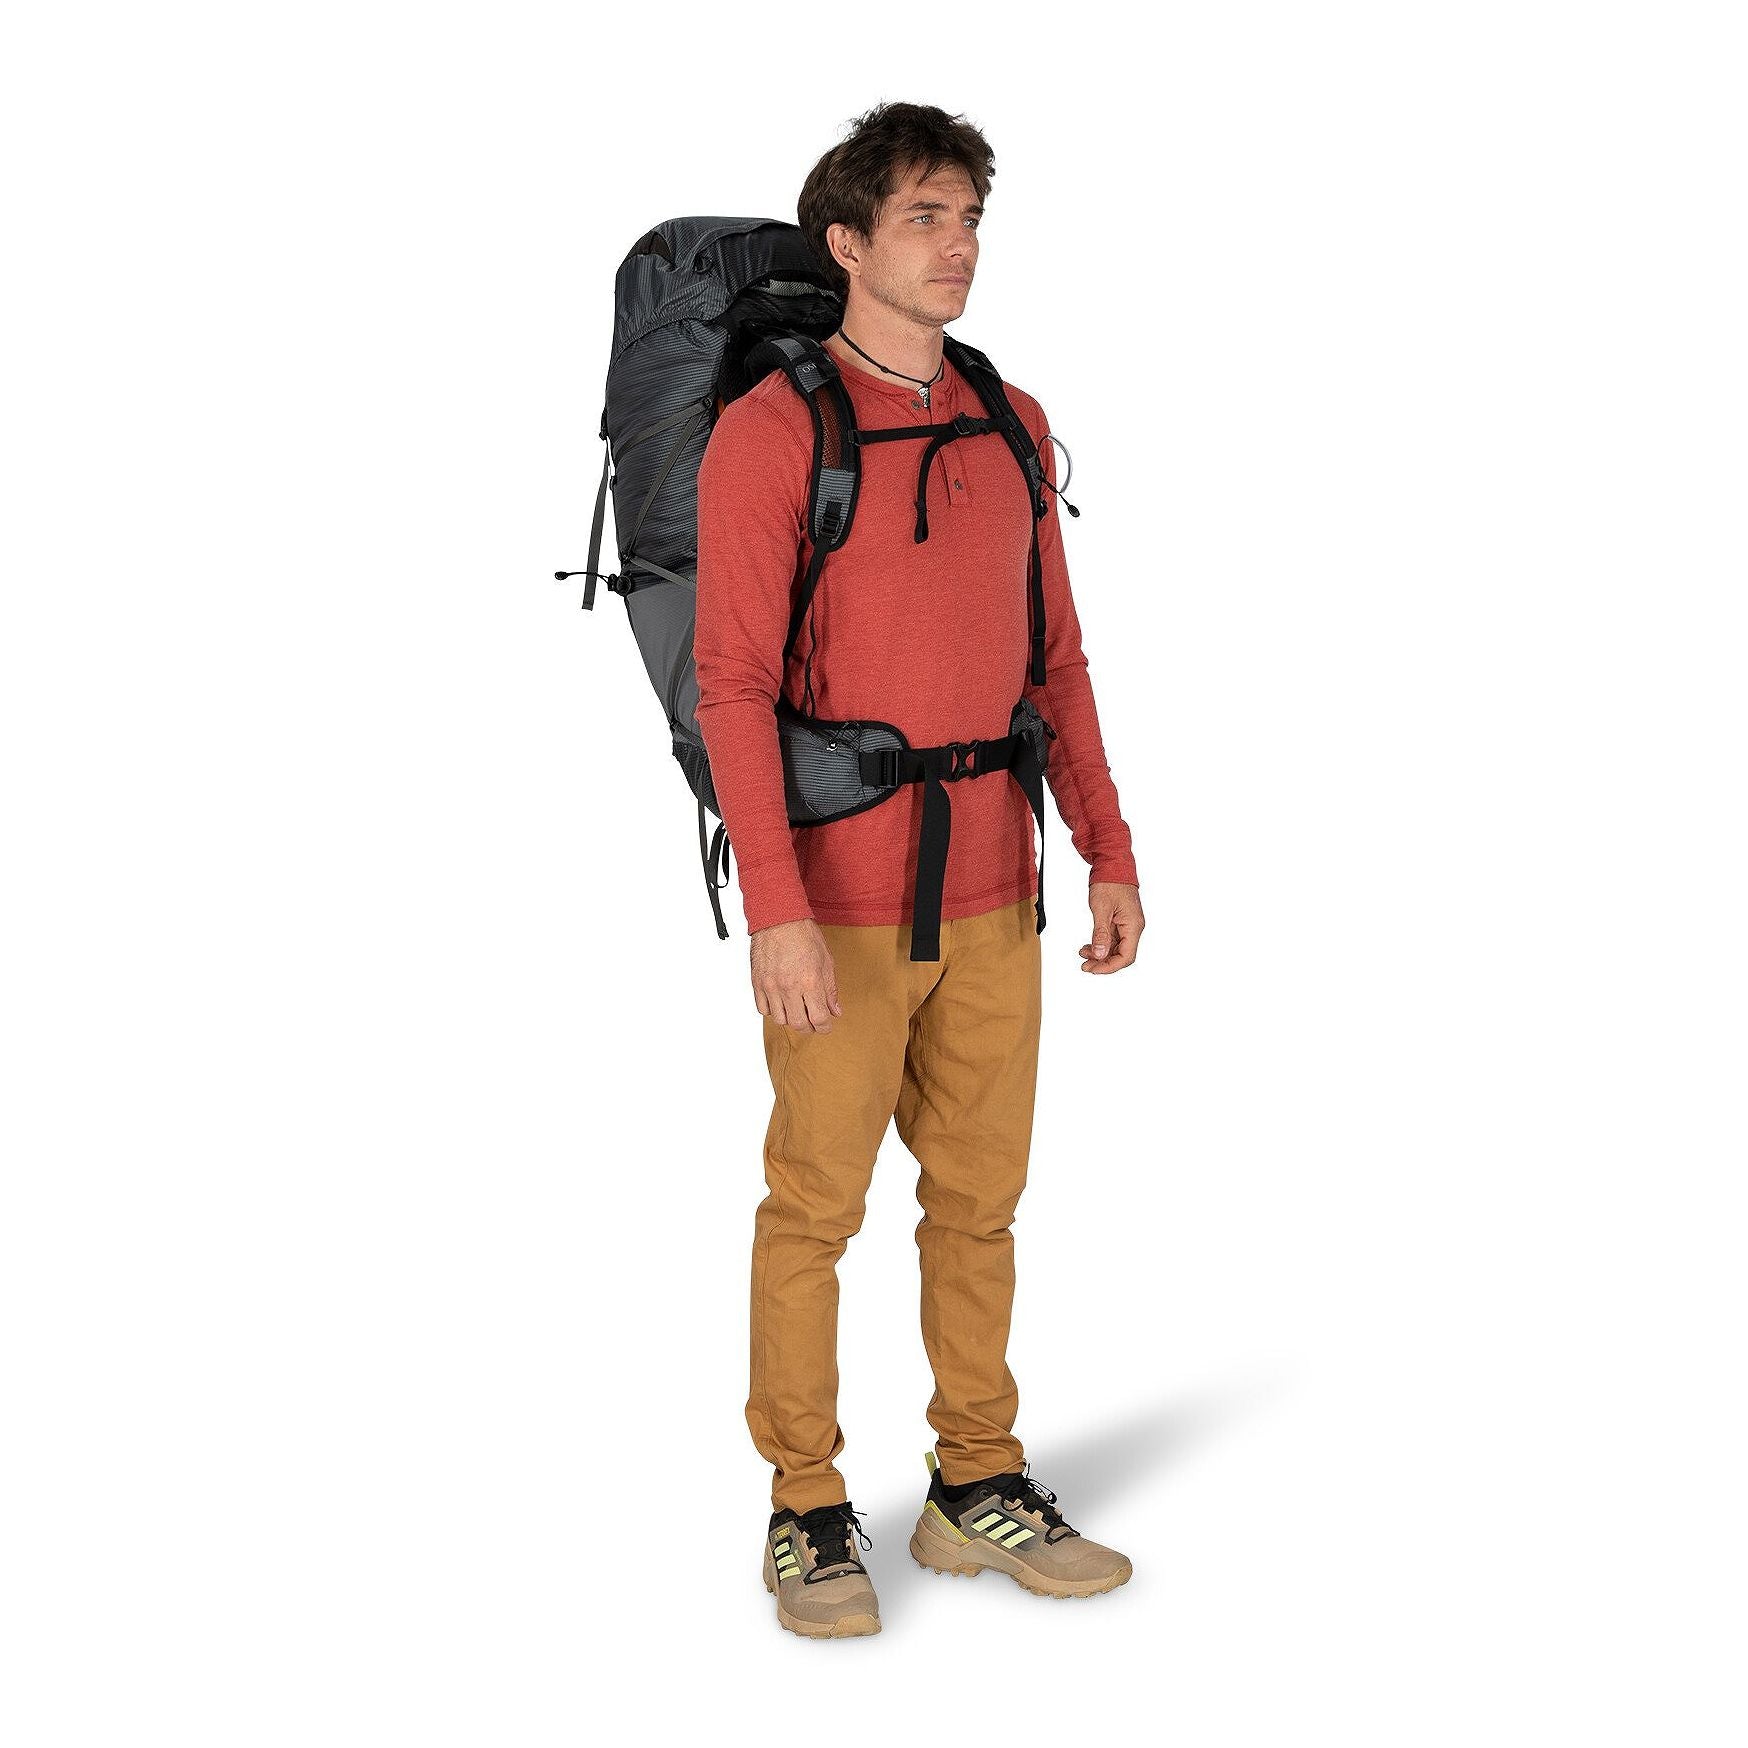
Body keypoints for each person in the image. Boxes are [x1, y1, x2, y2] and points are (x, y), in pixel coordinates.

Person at [694, 101, 1145, 1639]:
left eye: (970, 221)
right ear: (847, 243)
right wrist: (775, 910)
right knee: (813, 1209)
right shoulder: (774, 433)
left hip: (998, 892)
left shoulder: (1010, 419)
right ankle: (806, 1507)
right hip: (839, 904)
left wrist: (1106, 845)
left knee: (979, 1203)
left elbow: (1055, 659)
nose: (958, 248)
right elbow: (731, 687)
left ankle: (975, 1484)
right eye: (924, 220)